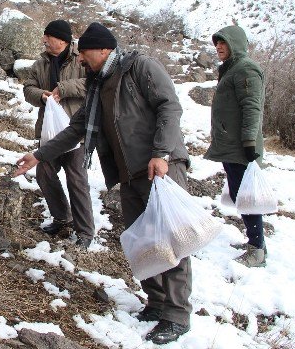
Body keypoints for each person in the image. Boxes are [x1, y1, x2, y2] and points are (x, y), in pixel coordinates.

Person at [14, 22, 192, 345]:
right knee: (142, 239)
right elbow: (74, 130)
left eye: (84, 53)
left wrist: (162, 152)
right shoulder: (98, 86)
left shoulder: (140, 68)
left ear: (103, 50)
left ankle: (177, 314)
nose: (80, 59)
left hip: (160, 166)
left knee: (169, 237)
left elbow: (170, 105)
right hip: (130, 174)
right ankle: (156, 302)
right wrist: (39, 156)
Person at [22, 19, 95, 249]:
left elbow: (91, 83)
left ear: (62, 40)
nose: (44, 40)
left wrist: (63, 89)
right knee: (44, 171)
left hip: (76, 131)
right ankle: (62, 217)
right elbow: (28, 88)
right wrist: (41, 96)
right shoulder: (41, 62)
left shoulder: (81, 58)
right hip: (49, 131)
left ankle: (85, 232)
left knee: (77, 179)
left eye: (48, 37)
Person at [204, 25, 267, 267]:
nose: (219, 47)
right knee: (241, 195)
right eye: (217, 43)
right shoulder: (231, 69)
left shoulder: (246, 69)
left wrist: (250, 141)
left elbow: (252, 107)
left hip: (242, 147)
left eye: (224, 42)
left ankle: (257, 250)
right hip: (231, 144)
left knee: (248, 197)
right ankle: (256, 243)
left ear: (236, 44)